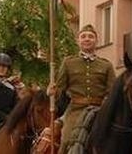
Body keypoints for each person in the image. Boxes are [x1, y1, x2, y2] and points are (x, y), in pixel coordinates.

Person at [47, 24, 116, 154]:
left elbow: (112, 91)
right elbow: (60, 89)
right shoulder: (68, 62)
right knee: (67, 140)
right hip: (76, 111)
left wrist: (106, 106)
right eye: (83, 36)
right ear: (78, 41)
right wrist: (51, 92)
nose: (87, 39)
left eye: (90, 36)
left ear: (96, 41)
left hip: (100, 110)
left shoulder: (106, 65)